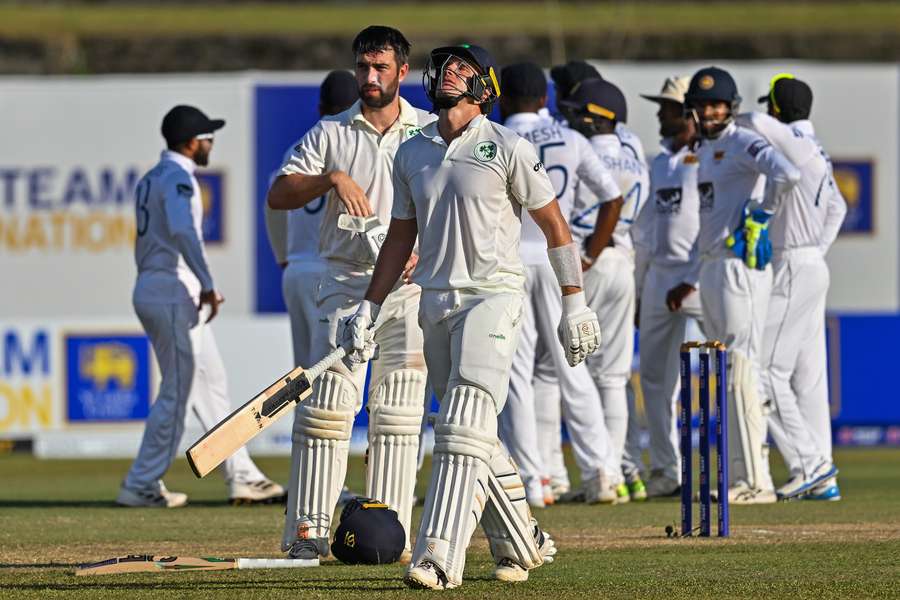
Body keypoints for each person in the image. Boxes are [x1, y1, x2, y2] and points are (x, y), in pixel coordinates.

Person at [343, 44, 598, 589]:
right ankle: (521, 540)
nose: (446, 74)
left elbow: (555, 227)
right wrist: (370, 304)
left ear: (485, 86)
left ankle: (438, 557)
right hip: (433, 302)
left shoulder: (507, 146)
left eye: (461, 67)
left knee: (461, 422)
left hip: (494, 296)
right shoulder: (411, 152)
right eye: (443, 66)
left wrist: (574, 299)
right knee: (472, 432)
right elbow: (400, 236)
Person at [266, 26, 434, 561]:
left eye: (381, 68)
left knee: (400, 413)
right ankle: (306, 536)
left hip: (407, 290)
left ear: (402, 72)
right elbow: (279, 192)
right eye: (363, 67)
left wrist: (424, 253)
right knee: (327, 411)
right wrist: (332, 178)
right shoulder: (331, 133)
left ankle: (391, 536)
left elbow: (452, 207)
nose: (370, 78)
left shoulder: (428, 133)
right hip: (343, 283)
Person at [119, 105, 283, 508]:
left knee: (212, 385)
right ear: (192, 142)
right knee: (178, 392)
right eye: (208, 137)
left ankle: (243, 476)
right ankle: (141, 482)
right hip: (173, 293)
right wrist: (208, 284)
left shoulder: (153, 176)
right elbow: (181, 230)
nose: (211, 144)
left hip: (163, 290)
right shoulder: (177, 178)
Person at [668, 66, 801, 503]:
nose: (710, 111)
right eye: (703, 105)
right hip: (712, 267)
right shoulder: (705, 149)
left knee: (742, 368)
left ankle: (757, 481)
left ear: (731, 108)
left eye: (718, 105)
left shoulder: (742, 139)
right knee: (733, 371)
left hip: (738, 266)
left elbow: (787, 173)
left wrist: (761, 214)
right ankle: (744, 476)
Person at [497, 61, 623, 507]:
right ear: (544, 100)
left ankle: (532, 482)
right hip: (558, 257)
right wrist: (588, 255)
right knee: (576, 367)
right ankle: (603, 473)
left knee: (517, 376)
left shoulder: (496, 139)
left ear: (503, 99)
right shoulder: (570, 138)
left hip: (512, 263)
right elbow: (613, 196)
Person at [264, 69, 362, 530]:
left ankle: (307, 483)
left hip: (297, 271)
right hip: (329, 273)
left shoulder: (295, 150)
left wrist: (284, 258)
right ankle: (321, 487)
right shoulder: (343, 146)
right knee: (327, 383)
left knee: (308, 376)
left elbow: (273, 204)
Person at [744, 74, 846, 500]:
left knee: (763, 372)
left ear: (779, 110)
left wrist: (800, 253)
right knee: (805, 375)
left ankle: (811, 464)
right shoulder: (815, 148)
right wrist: (814, 251)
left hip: (794, 265)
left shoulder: (793, 141)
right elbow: (838, 208)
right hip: (808, 263)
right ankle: (821, 473)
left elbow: (751, 119)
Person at [559, 78, 651, 503]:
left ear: (596, 117)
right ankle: (613, 473)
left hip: (588, 260)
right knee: (613, 379)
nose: (570, 117)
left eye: (579, 112)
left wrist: (588, 256)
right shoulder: (636, 158)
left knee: (570, 370)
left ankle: (593, 474)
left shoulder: (585, 151)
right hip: (623, 263)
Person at [633, 76, 706, 498]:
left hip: (697, 275)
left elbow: (712, 228)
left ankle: (732, 470)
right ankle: (666, 469)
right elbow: (646, 230)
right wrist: (642, 290)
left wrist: (693, 276)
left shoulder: (710, 156)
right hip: (661, 275)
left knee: (721, 375)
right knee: (656, 378)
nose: (660, 114)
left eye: (668, 107)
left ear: (688, 112)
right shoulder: (660, 162)